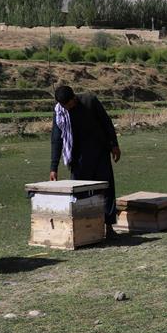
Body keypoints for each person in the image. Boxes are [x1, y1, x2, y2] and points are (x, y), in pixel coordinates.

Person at [50, 85, 121, 235]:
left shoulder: (90, 101)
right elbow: (57, 139)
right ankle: (84, 229)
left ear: (74, 98)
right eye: (64, 105)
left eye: (69, 104)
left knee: (106, 190)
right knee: (80, 194)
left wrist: (114, 145)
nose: (68, 107)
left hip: (100, 152)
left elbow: (106, 122)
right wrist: (53, 167)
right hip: (78, 159)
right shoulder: (60, 113)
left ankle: (109, 227)